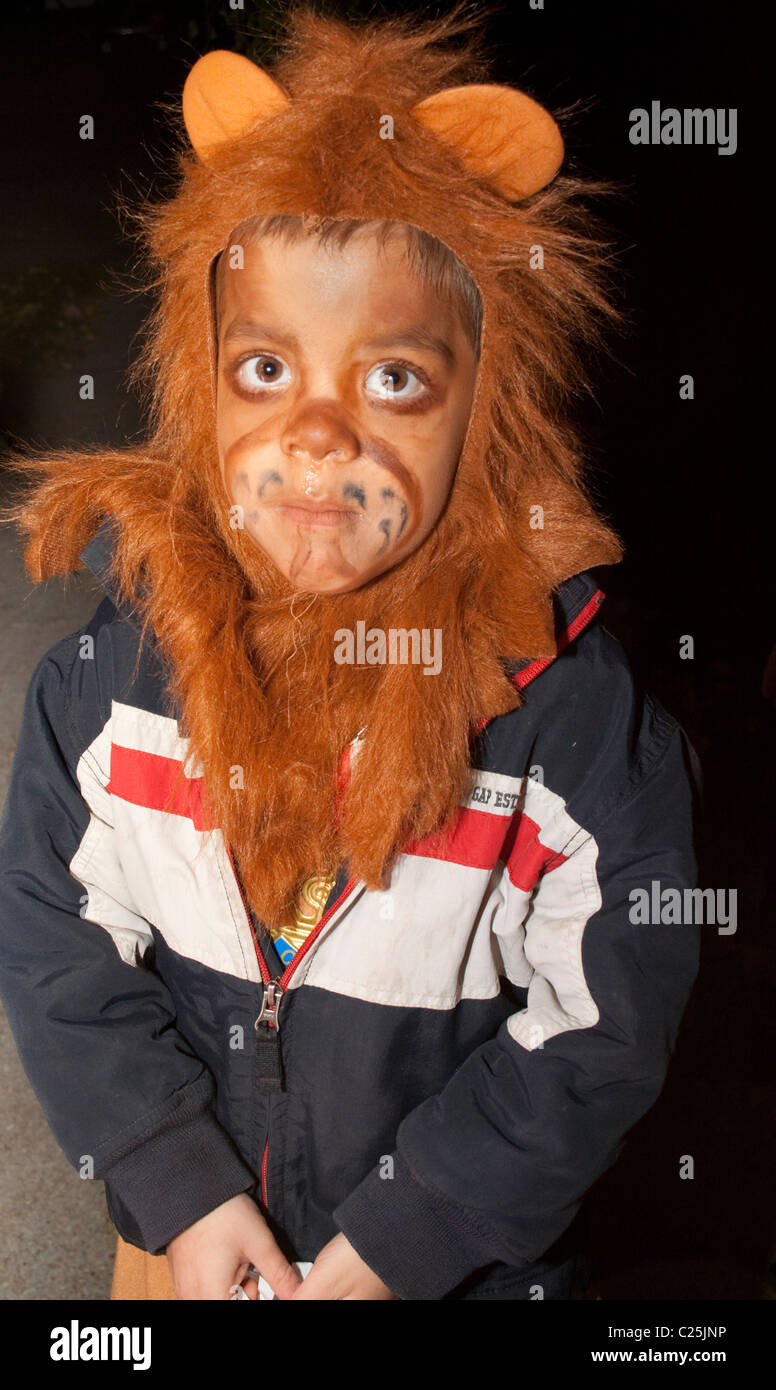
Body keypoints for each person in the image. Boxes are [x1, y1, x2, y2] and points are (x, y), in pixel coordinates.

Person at [0, 6, 701, 1301]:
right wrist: (177, 1179)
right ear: (201, 378)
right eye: (266, 365)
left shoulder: (568, 706)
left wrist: (414, 1231)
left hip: (455, 1260)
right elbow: (56, 935)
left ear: (486, 407)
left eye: (392, 380)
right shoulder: (123, 668)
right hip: (187, 1238)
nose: (317, 437)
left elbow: (605, 1022)